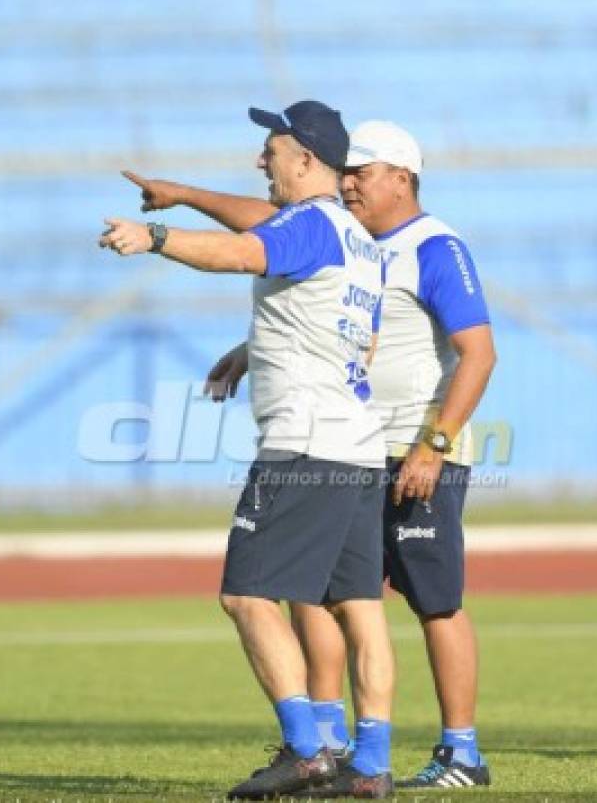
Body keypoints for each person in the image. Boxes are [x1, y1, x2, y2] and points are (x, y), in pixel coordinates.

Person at [127, 120, 499, 789]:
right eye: (346, 171)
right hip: (359, 443)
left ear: (402, 179)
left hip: (409, 446)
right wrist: (183, 194)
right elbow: (274, 225)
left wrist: (434, 444)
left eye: (364, 171)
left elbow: (479, 351)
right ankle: (337, 746)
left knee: (432, 598)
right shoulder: (354, 239)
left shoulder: (432, 246)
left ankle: (459, 751)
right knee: (330, 598)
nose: (351, 180)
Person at [101, 100, 396, 800]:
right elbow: (343, 321)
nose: (259, 160)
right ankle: (370, 765)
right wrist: (252, 348)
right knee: (359, 606)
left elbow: (244, 252)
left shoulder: (306, 227)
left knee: (246, 596)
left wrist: (157, 234)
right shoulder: (357, 240)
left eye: (270, 150)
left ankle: (305, 751)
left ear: (304, 160)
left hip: (303, 445)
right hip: (357, 445)